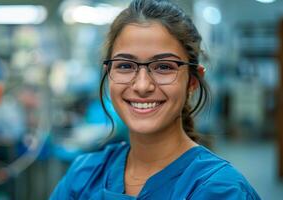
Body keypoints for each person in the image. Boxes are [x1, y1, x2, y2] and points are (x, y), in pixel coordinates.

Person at [50, 0, 261, 199]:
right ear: (108, 73)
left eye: (164, 67)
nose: (142, 86)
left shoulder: (220, 190)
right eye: (125, 66)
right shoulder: (83, 176)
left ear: (193, 81)